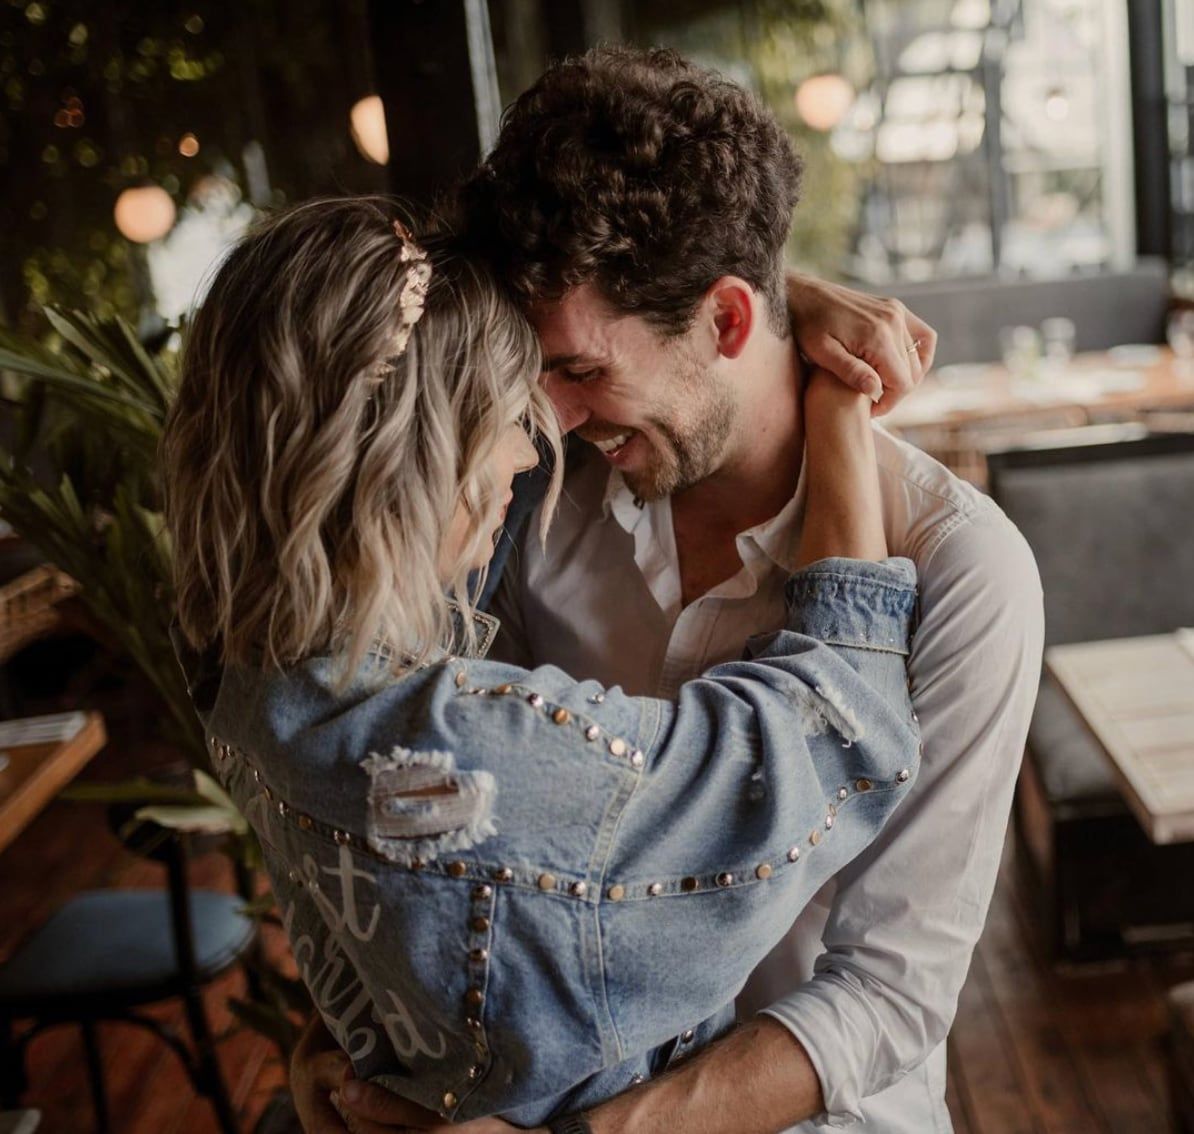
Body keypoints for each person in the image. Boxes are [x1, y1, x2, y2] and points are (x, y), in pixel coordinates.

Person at [319, 46, 1045, 1134]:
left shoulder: (960, 570)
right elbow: (430, 818)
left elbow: (889, 993)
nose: (548, 418)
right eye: (534, 371)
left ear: (731, 322)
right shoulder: (531, 496)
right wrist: (343, 1068)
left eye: (580, 370)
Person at [161, 197, 924, 1130]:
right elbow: (831, 728)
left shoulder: (240, 682)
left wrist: (766, 302)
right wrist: (839, 399)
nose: (534, 446)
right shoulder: (474, 758)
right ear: (414, 460)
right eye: (507, 412)